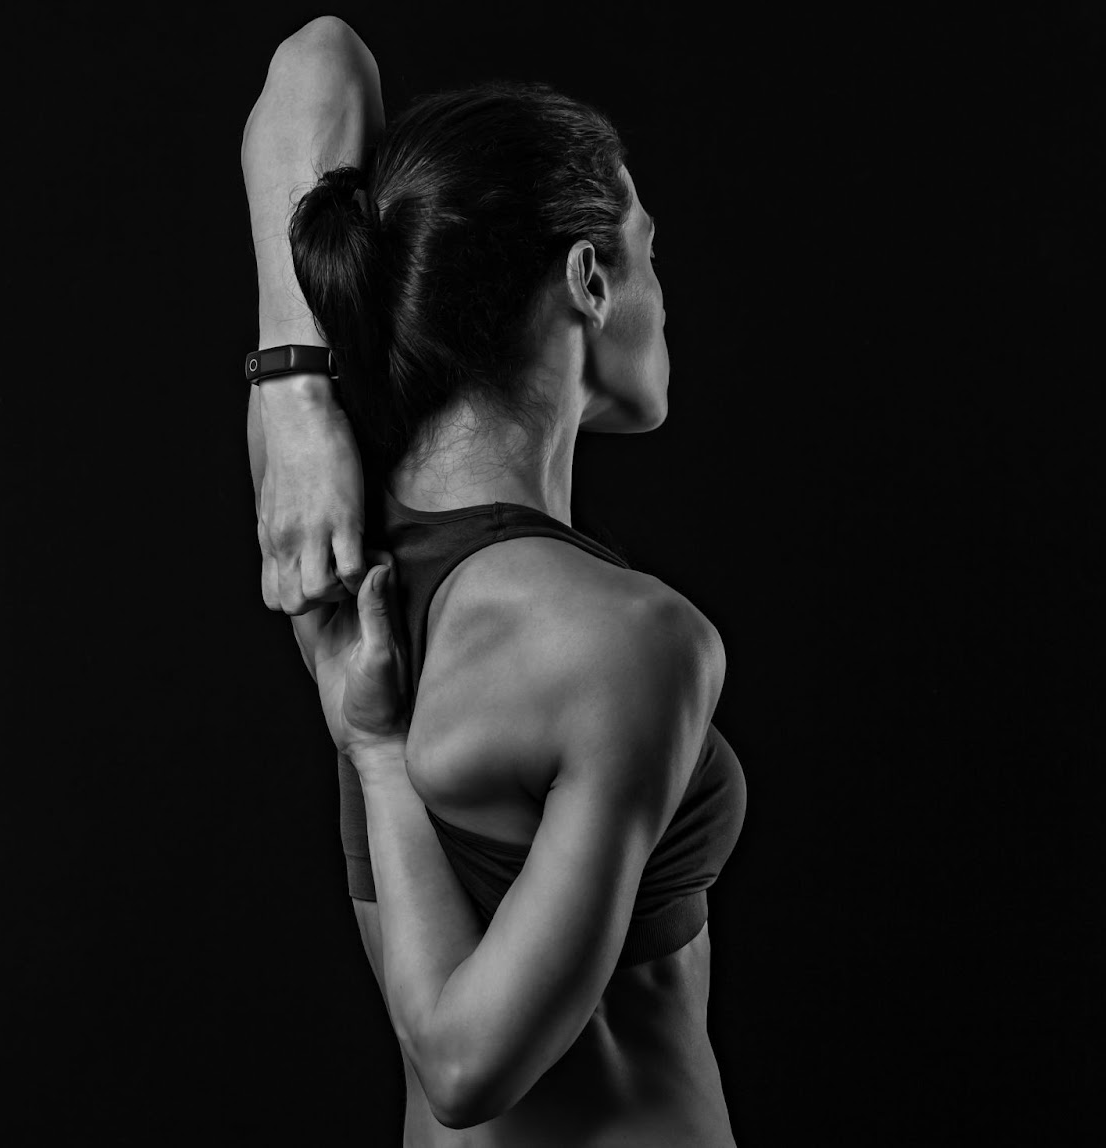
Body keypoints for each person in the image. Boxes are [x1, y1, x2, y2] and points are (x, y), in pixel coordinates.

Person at [241, 16, 747, 1145]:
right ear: (589, 278)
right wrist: (376, 759)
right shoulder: (624, 636)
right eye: (648, 249)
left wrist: (294, 390)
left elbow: (316, 60)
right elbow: (467, 1059)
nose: (666, 287)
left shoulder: (328, 523)